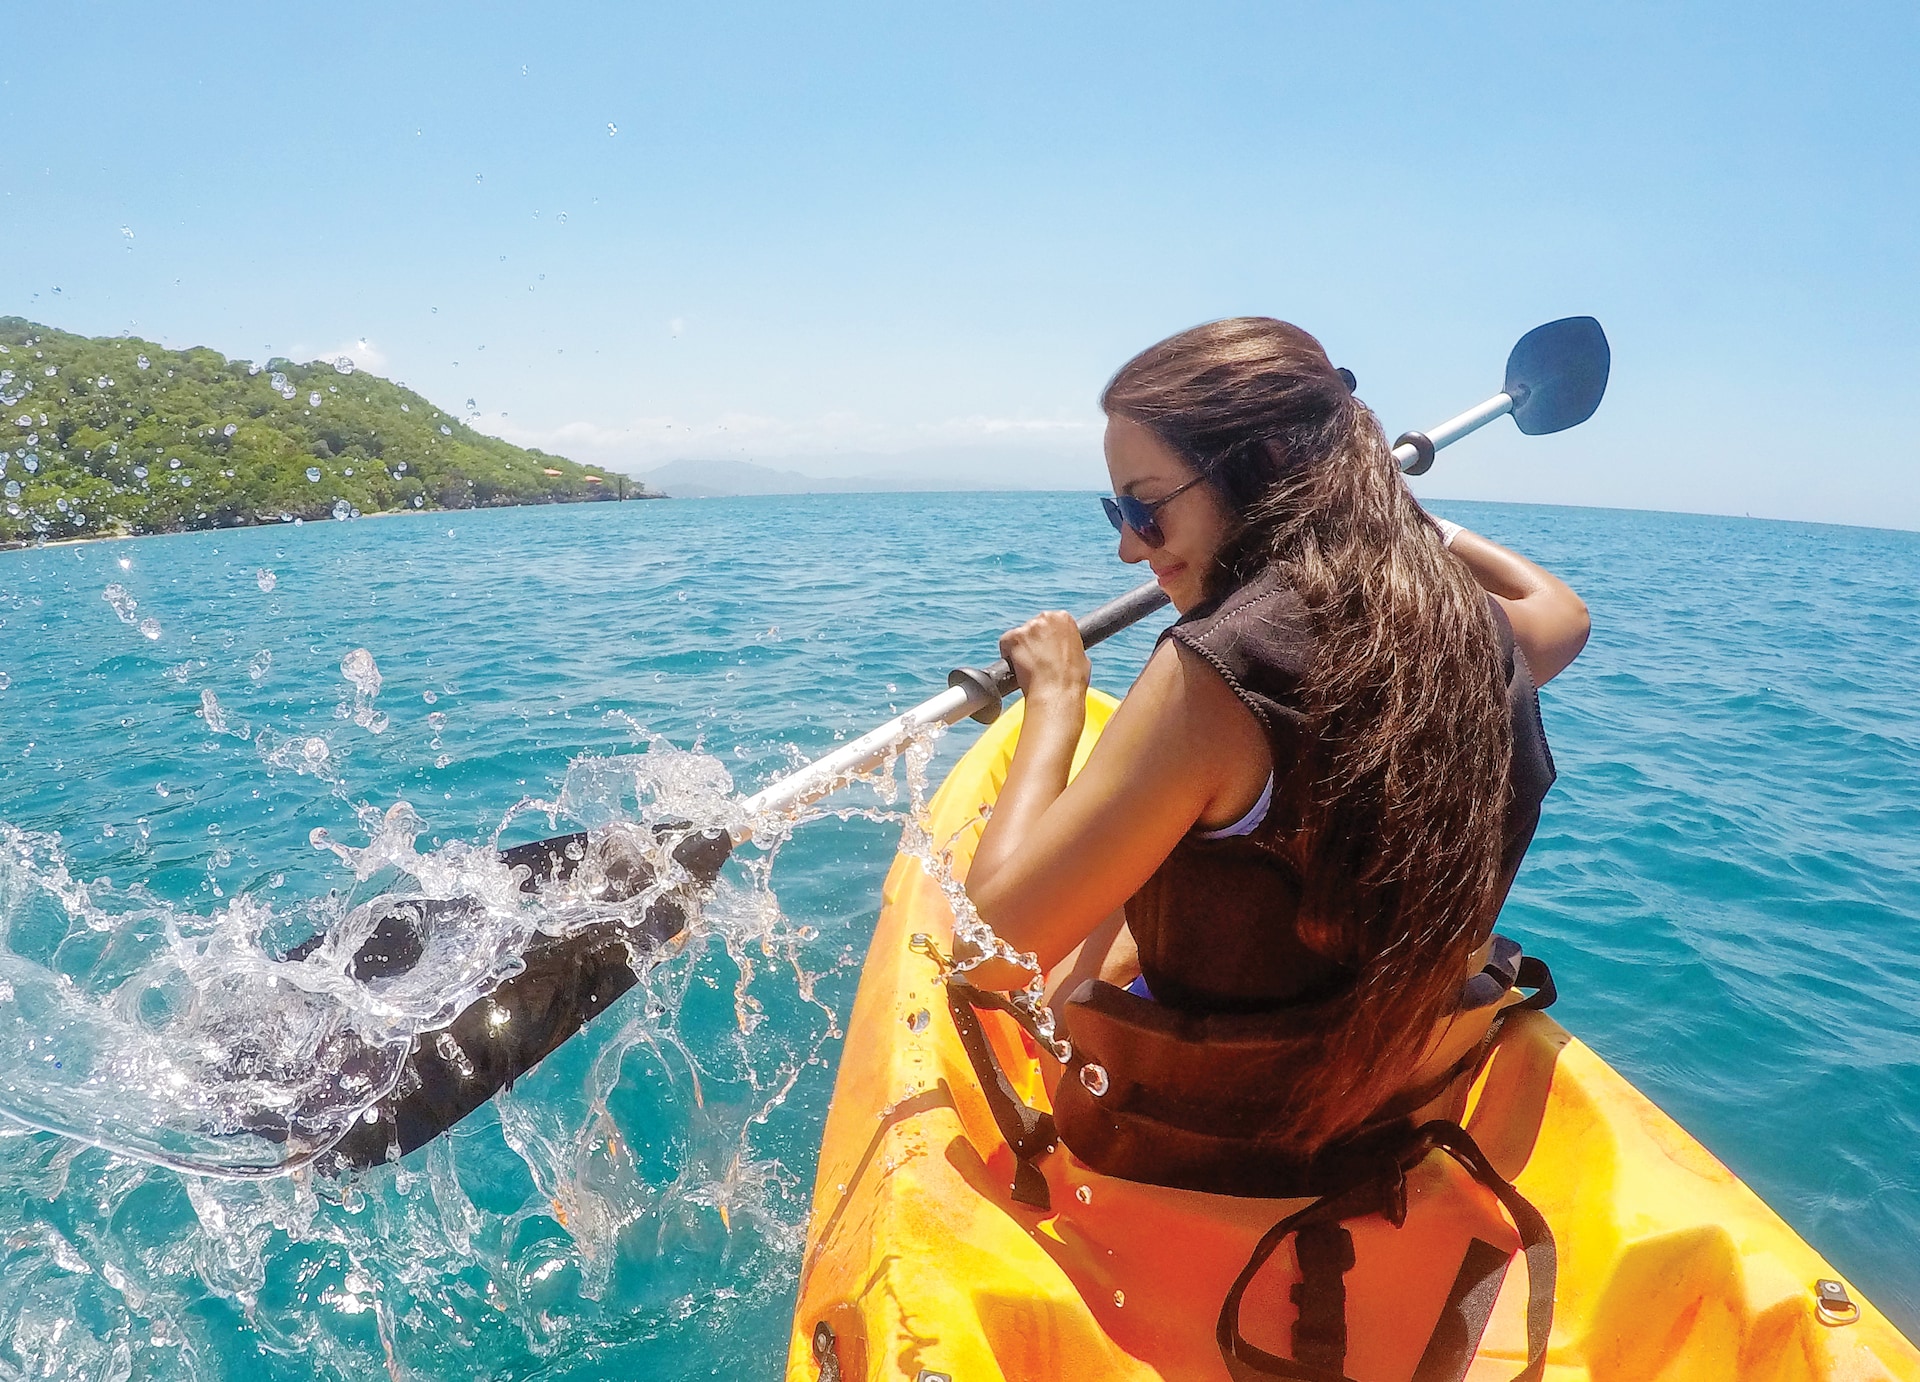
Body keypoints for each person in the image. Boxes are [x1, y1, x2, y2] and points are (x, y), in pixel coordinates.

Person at [959, 316, 1588, 1173]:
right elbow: (1559, 612)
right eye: (1118, 510)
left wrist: (1057, 702)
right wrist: (1380, 499)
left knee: (1100, 887)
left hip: (1210, 1137)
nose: (1126, 547)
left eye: (1144, 508)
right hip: (1396, 1116)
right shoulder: (1468, 629)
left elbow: (987, 955)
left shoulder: (1210, 677)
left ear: (1260, 475)